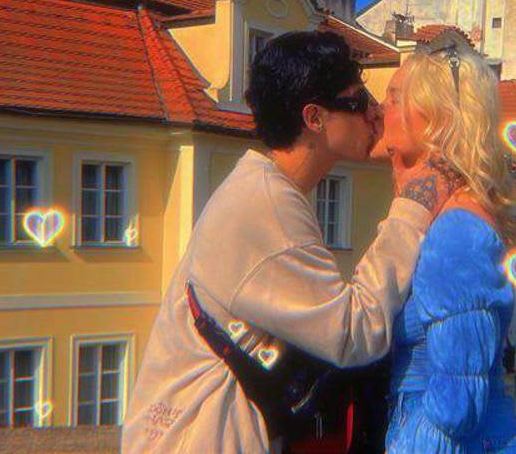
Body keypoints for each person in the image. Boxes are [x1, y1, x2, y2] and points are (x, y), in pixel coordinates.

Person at [121, 30, 457, 454]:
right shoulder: (265, 209)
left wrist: (395, 149)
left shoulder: (262, 189)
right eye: (358, 101)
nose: (374, 113)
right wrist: (412, 207)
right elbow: (355, 333)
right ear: (314, 118)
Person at [377, 44, 516, 454]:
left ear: (435, 117)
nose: (381, 109)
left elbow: (456, 404)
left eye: (394, 97)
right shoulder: (451, 218)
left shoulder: (456, 232)